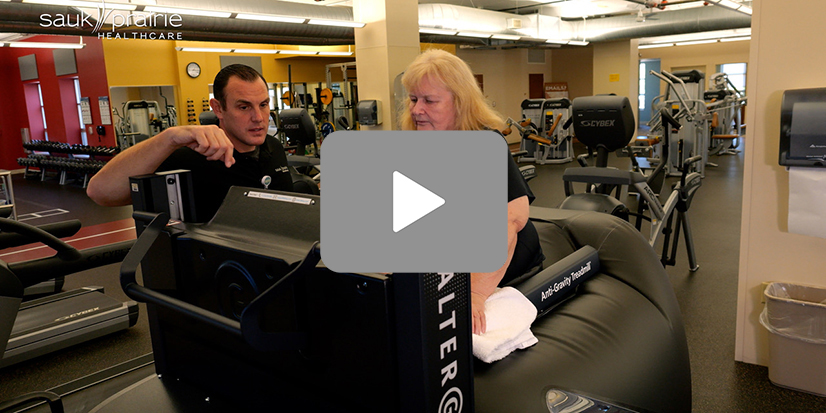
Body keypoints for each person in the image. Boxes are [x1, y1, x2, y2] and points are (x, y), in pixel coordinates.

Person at [400, 49, 545, 336]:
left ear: (460, 103)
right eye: (414, 99)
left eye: (429, 101)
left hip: (507, 258)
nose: (417, 109)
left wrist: (476, 294)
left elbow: (510, 219)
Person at [87, 64, 293, 221]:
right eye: (244, 107)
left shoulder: (273, 148)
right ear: (218, 108)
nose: (258, 117)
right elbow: (99, 192)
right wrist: (170, 137)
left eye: (264, 104)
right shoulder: (189, 157)